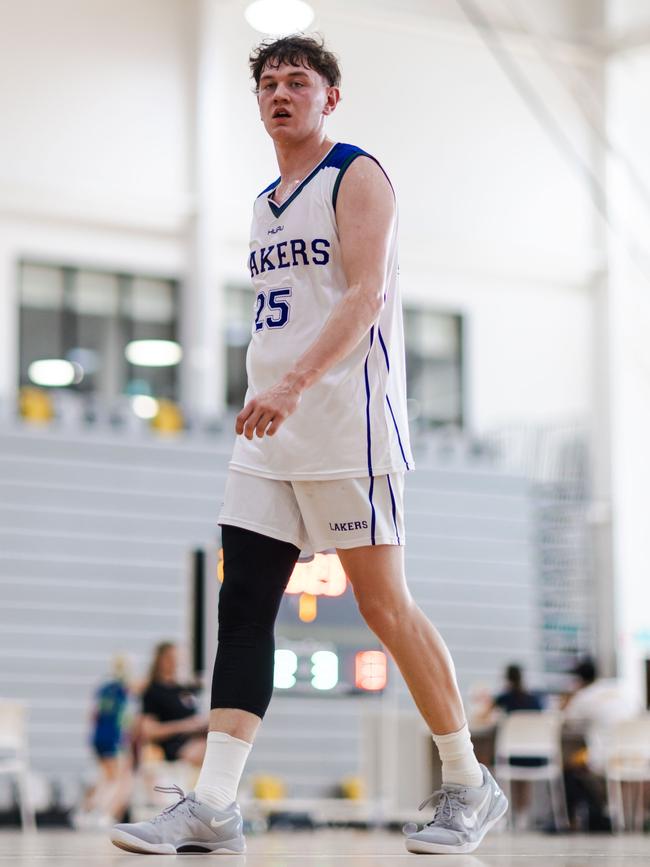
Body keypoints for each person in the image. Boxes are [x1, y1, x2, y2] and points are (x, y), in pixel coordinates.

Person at [111, 34, 508, 856]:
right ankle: (215, 804)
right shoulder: (264, 201)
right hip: (269, 438)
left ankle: (470, 781)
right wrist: (266, 389)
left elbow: (365, 293)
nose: (280, 92)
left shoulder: (356, 172)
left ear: (332, 96)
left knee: (382, 607)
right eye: (268, 83)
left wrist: (293, 385)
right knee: (244, 606)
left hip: (346, 424)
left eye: (298, 81)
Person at [561, 658, 637, 831]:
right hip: (635, 756)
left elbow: (569, 722)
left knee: (569, 767)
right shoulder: (618, 690)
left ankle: (574, 821)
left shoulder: (584, 696)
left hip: (604, 756)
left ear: (578, 680)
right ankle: (610, 813)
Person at [138, 642, 209, 768]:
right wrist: (185, 725)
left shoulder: (184, 689)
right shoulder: (154, 691)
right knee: (207, 751)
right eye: (171, 658)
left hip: (195, 739)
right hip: (172, 747)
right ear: (160, 661)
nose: (176, 662)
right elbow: (149, 731)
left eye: (178, 658)